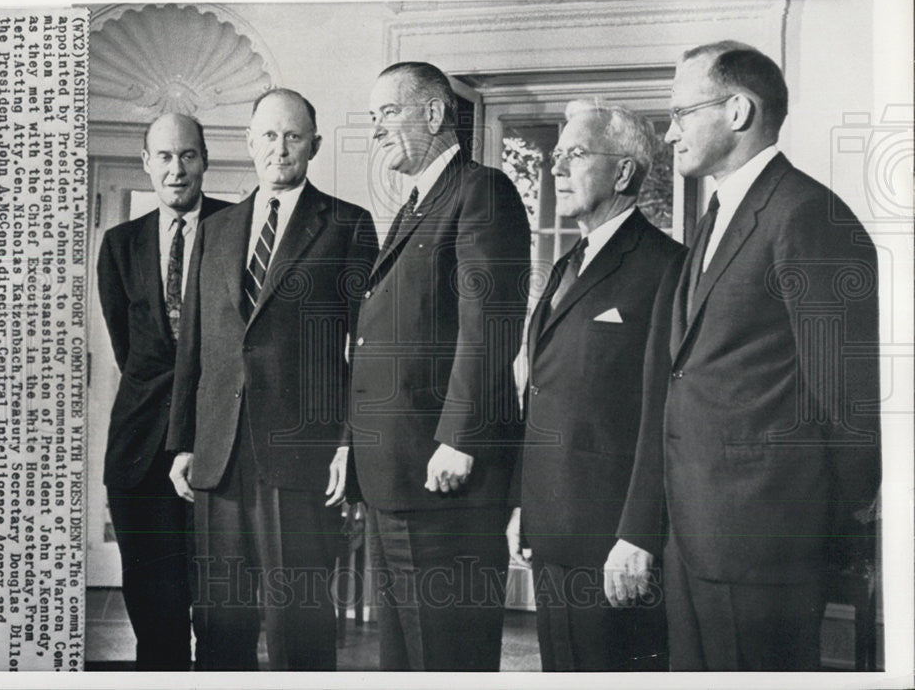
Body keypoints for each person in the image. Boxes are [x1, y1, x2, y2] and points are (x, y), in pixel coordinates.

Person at [605, 42, 881, 670]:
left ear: (737, 110)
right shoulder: (716, 215)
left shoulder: (808, 216)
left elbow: (848, 402)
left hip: (766, 548)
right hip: (693, 542)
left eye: (680, 113)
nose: (669, 133)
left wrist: (820, 534)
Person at [166, 88, 378, 670]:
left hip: (301, 455)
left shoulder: (347, 225)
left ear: (313, 142)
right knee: (219, 623)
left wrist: (348, 441)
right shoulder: (216, 228)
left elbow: (369, 348)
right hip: (219, 453)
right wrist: (183, 440)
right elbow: (195, 345)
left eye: (291, 136)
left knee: (299, 625)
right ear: (249, 143)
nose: (278, 148)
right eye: (267, 135)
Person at [347, 61, 531, 671]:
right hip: (396, 474)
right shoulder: (417, 203)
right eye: (373, 117)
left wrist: (459, 437)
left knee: (445, 657)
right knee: (405, 659)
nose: (377, 129)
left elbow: (490, 322)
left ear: (432, 113)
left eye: (387, 113)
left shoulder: (481, 190)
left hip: (443, 475)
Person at [507, 99, 683, 671]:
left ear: (625, 171)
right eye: (556, 156)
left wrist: (638, 535)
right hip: (552, 530)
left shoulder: (667, 268)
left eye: (575, 154)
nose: (555, 168)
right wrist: (524, 510)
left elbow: (667, 412)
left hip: (615, 543)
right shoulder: (565, 265)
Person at [97, 112, 229, 670]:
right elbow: (132, 352)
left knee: (220, 612)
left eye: (189, 156)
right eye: (165, 157)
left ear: (204, 160)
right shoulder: (120, 244)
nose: (177, 170)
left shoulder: (237, 227)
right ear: (147, 163)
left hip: (220, 448)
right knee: (155, 613)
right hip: (140, 452)